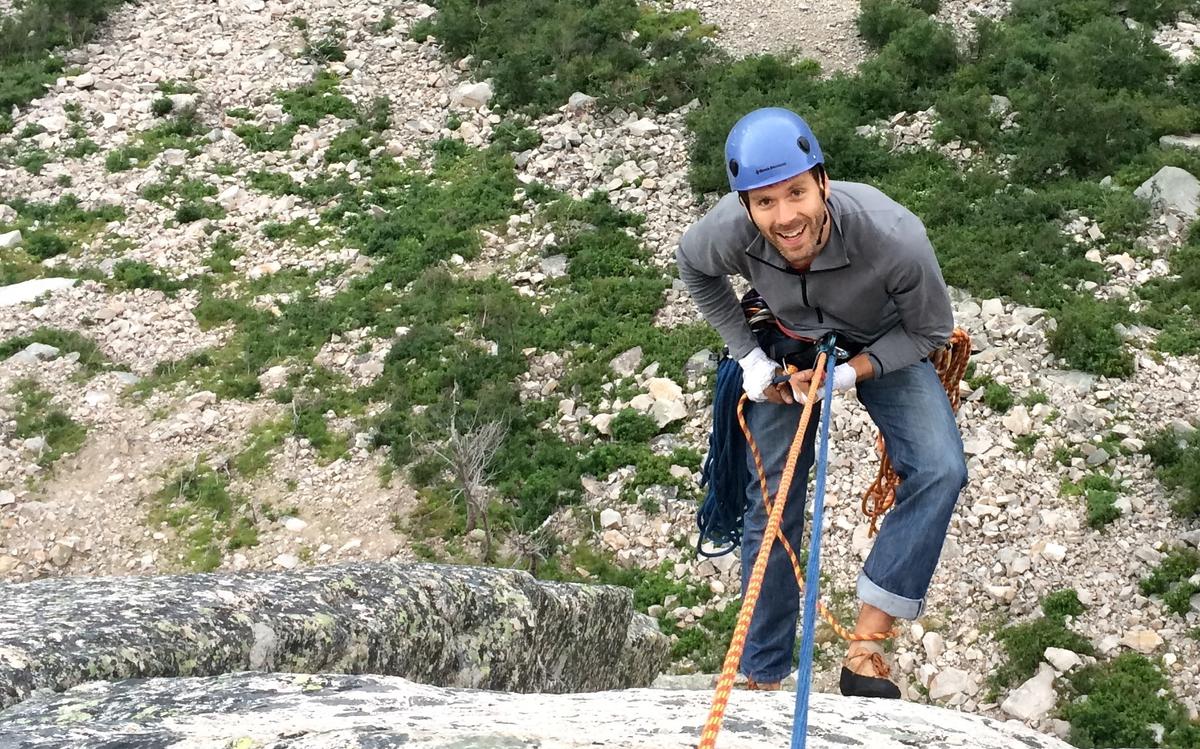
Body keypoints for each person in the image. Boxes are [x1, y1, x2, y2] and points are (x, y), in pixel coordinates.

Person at [676, 107, 968, 699]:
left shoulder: (893, 236)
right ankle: (760, 670)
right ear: (745, 206)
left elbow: (930, 331)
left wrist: (846, 375)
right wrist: (750, 360)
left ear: (823, 183)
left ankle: (866, 647)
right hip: (784, 337)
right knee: (773, 498)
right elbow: (694, 269)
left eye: (796, 193)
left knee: (940, 468)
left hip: (881, 340)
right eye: (764, 202)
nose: (785, 217)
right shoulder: (729, 230)